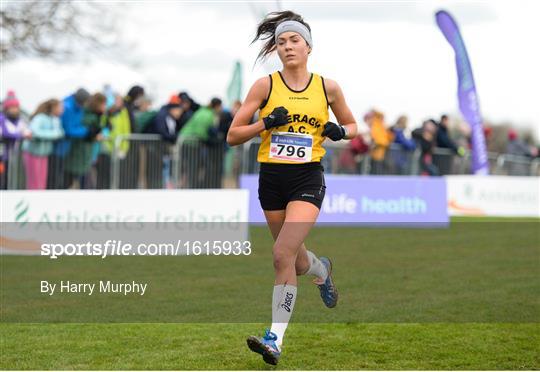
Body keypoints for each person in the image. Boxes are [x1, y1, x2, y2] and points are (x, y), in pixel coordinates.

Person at [226, 11, 357, 365]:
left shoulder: (327, 87)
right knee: (296, 262)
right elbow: (233, 135)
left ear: (308, 46)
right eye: (281, 42)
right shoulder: (264, 86)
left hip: (307, 179)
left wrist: (339, 131)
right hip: (271, 181)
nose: (287, 47)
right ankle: (322, 270)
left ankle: (275, 339)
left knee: (281, 255)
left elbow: (353, 124)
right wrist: (265, 123)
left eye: (294, 40)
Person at [179, 97, 223, 188]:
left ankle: (192, 186)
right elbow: (200, 132)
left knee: (191, 167)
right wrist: (209, 141)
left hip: (188, 141)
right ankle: (192, 187)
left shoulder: (203, 111)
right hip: (190, 142)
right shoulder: (208, 115)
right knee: (193, 167)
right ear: (217, 106)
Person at [64, 93, 106, 188]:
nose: (105, 107)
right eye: (104, 104)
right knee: (79, 184)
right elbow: (81, 133)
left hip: (87, 156)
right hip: (79, 155)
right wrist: (93, 135)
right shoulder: (88, 116)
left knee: (86, 184)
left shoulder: (95, 116)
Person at [22, 99, 64, 189]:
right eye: (60, 107)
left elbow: (60, 133)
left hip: (44, 154)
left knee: (42, 181)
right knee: (34, 182)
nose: (62, 109)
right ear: (53, 107)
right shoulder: (39, 118)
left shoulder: (55, 119)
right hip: (32, 153)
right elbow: (35, 132)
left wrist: (48, 135)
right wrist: (51, 134)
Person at [0, 90, 30, 189]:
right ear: (6, 108)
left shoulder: (19, 120)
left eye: (16, 107)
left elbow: (27, 131)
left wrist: (23, 134)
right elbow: (5, 133)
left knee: (7, 179)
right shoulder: (2, 119)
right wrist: (20, 135)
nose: (15, 110)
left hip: (11, 157)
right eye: (12, 107)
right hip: (2, 155)